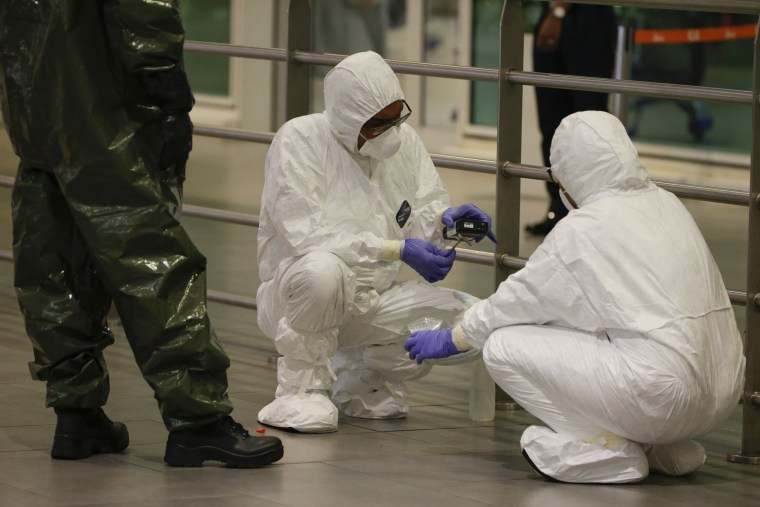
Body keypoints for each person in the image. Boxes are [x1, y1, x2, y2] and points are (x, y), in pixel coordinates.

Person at [0, 1, 283, 468]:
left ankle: (76, 413)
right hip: (105, 109)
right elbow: (144, 13)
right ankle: (198, 420)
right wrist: (170, 96)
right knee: (150, 256)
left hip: (32, 104)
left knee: (53, 255)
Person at [405, 111, 745, 483]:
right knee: (617, 340)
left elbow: (520, 299)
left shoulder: (587, 227)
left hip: (663, 397)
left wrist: (455, 337)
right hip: (723, 392)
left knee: (502, 346)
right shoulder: (667, 203)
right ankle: (663, 445)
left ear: (570, 175)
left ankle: (604, 450)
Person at [256, 50, 496, 433]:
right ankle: (300, 390)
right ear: (350, 117)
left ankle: (360, 374)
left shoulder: (406, 144)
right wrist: (397, 250)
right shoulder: (300, 140)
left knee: (474, 321)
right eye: (378, 123)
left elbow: (419, 215)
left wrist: (446, 228)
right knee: (324, 271)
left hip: (373, 300)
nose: (391, 131)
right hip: (297, 298)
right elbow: (306, 234)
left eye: (396, 117)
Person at [525, 2, 617, 235]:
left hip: (587, 16)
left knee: (589, 125)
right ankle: (558, 210)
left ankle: (593, 212)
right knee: (552, 126)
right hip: (554, 13)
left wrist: (559, 11)